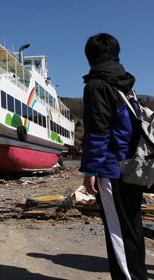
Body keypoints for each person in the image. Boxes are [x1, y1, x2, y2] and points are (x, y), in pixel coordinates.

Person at [80, 33, 147, 279]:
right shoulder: (127, 86)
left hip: (112, 170)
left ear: (90, 59)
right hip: (132, 168)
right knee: (132, 231)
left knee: (119, 235)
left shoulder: (97, 85)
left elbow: (98, 133)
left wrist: (90, 171)